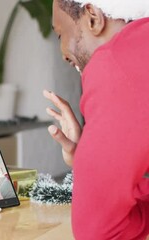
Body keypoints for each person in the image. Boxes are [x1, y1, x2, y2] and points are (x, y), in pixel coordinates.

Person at [45, 0, 149, 238]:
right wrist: (89, 161)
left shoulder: (115, 63)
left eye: (60, 33)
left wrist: (89, 166)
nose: (62, 54)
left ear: (93, 18)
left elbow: (98, 232)